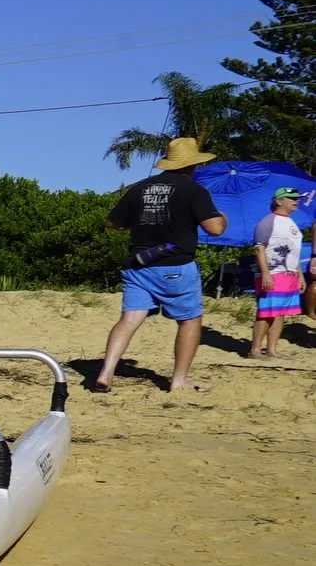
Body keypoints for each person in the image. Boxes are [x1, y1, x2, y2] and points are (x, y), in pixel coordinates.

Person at [91, 144, 226, 393]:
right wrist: (222, 217)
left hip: (138, 264)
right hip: (175, 266)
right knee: (189, 321)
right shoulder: (194, 190)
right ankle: (178, 381)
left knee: (130, 318)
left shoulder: (140, 187)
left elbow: (111, 221)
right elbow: (215, 228)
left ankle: (105, 373)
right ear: (192, 164)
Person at [251, 187, 305, 360]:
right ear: (279, 201)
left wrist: (300, 275)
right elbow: (259, 249)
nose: (296, 200)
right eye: (291, 198)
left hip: (289, 274)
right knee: (266, 312)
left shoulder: (291, 222)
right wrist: (266, 274)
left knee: (280, 312)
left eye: (297, 198)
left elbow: (293, 252)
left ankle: (272, 350)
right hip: (273, 273)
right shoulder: (268, 222)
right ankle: (255, 350)